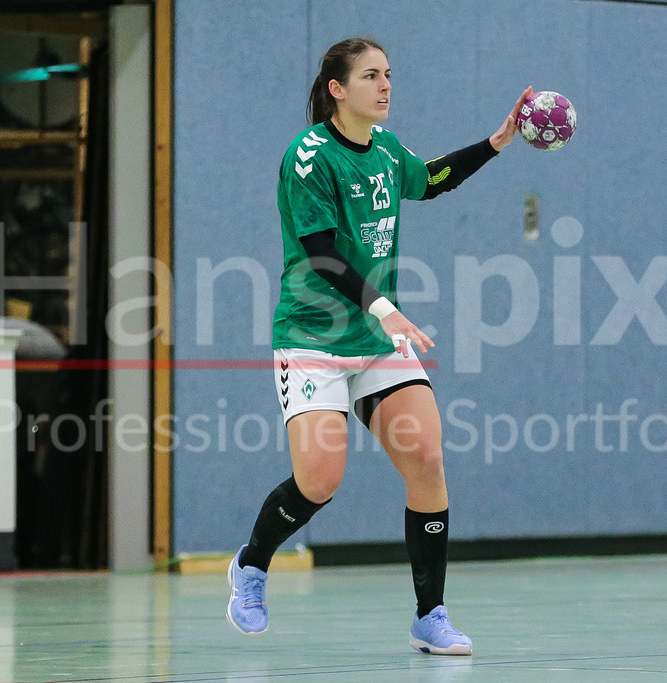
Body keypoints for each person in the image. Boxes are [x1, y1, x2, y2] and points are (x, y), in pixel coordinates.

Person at [226, 36, 531, 655]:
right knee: (319, 481)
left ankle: (430, 614)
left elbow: (432, 179)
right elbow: (321, 252)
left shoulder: (387, 149)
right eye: (370, 76)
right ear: (337, 89)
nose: (386, 85)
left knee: (426, 458)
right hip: (312, 337)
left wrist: (496, 143)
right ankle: (251, 565)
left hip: (375, 337)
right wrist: (385, 307)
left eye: (388, 74)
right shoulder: (309, 156)